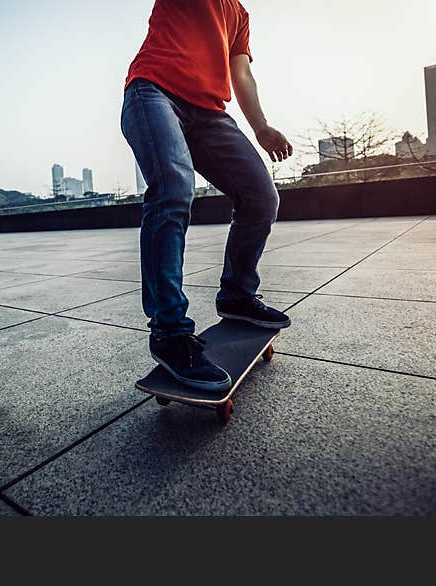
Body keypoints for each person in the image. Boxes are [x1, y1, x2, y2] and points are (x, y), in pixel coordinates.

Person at [121, 0, 292, 392]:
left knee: (261, 197)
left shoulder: (239, 14)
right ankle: (169, 331)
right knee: (172, 191)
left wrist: (261, 126)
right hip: (153, 94)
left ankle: (237, 295)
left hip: (210, 114)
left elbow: (242, 73)